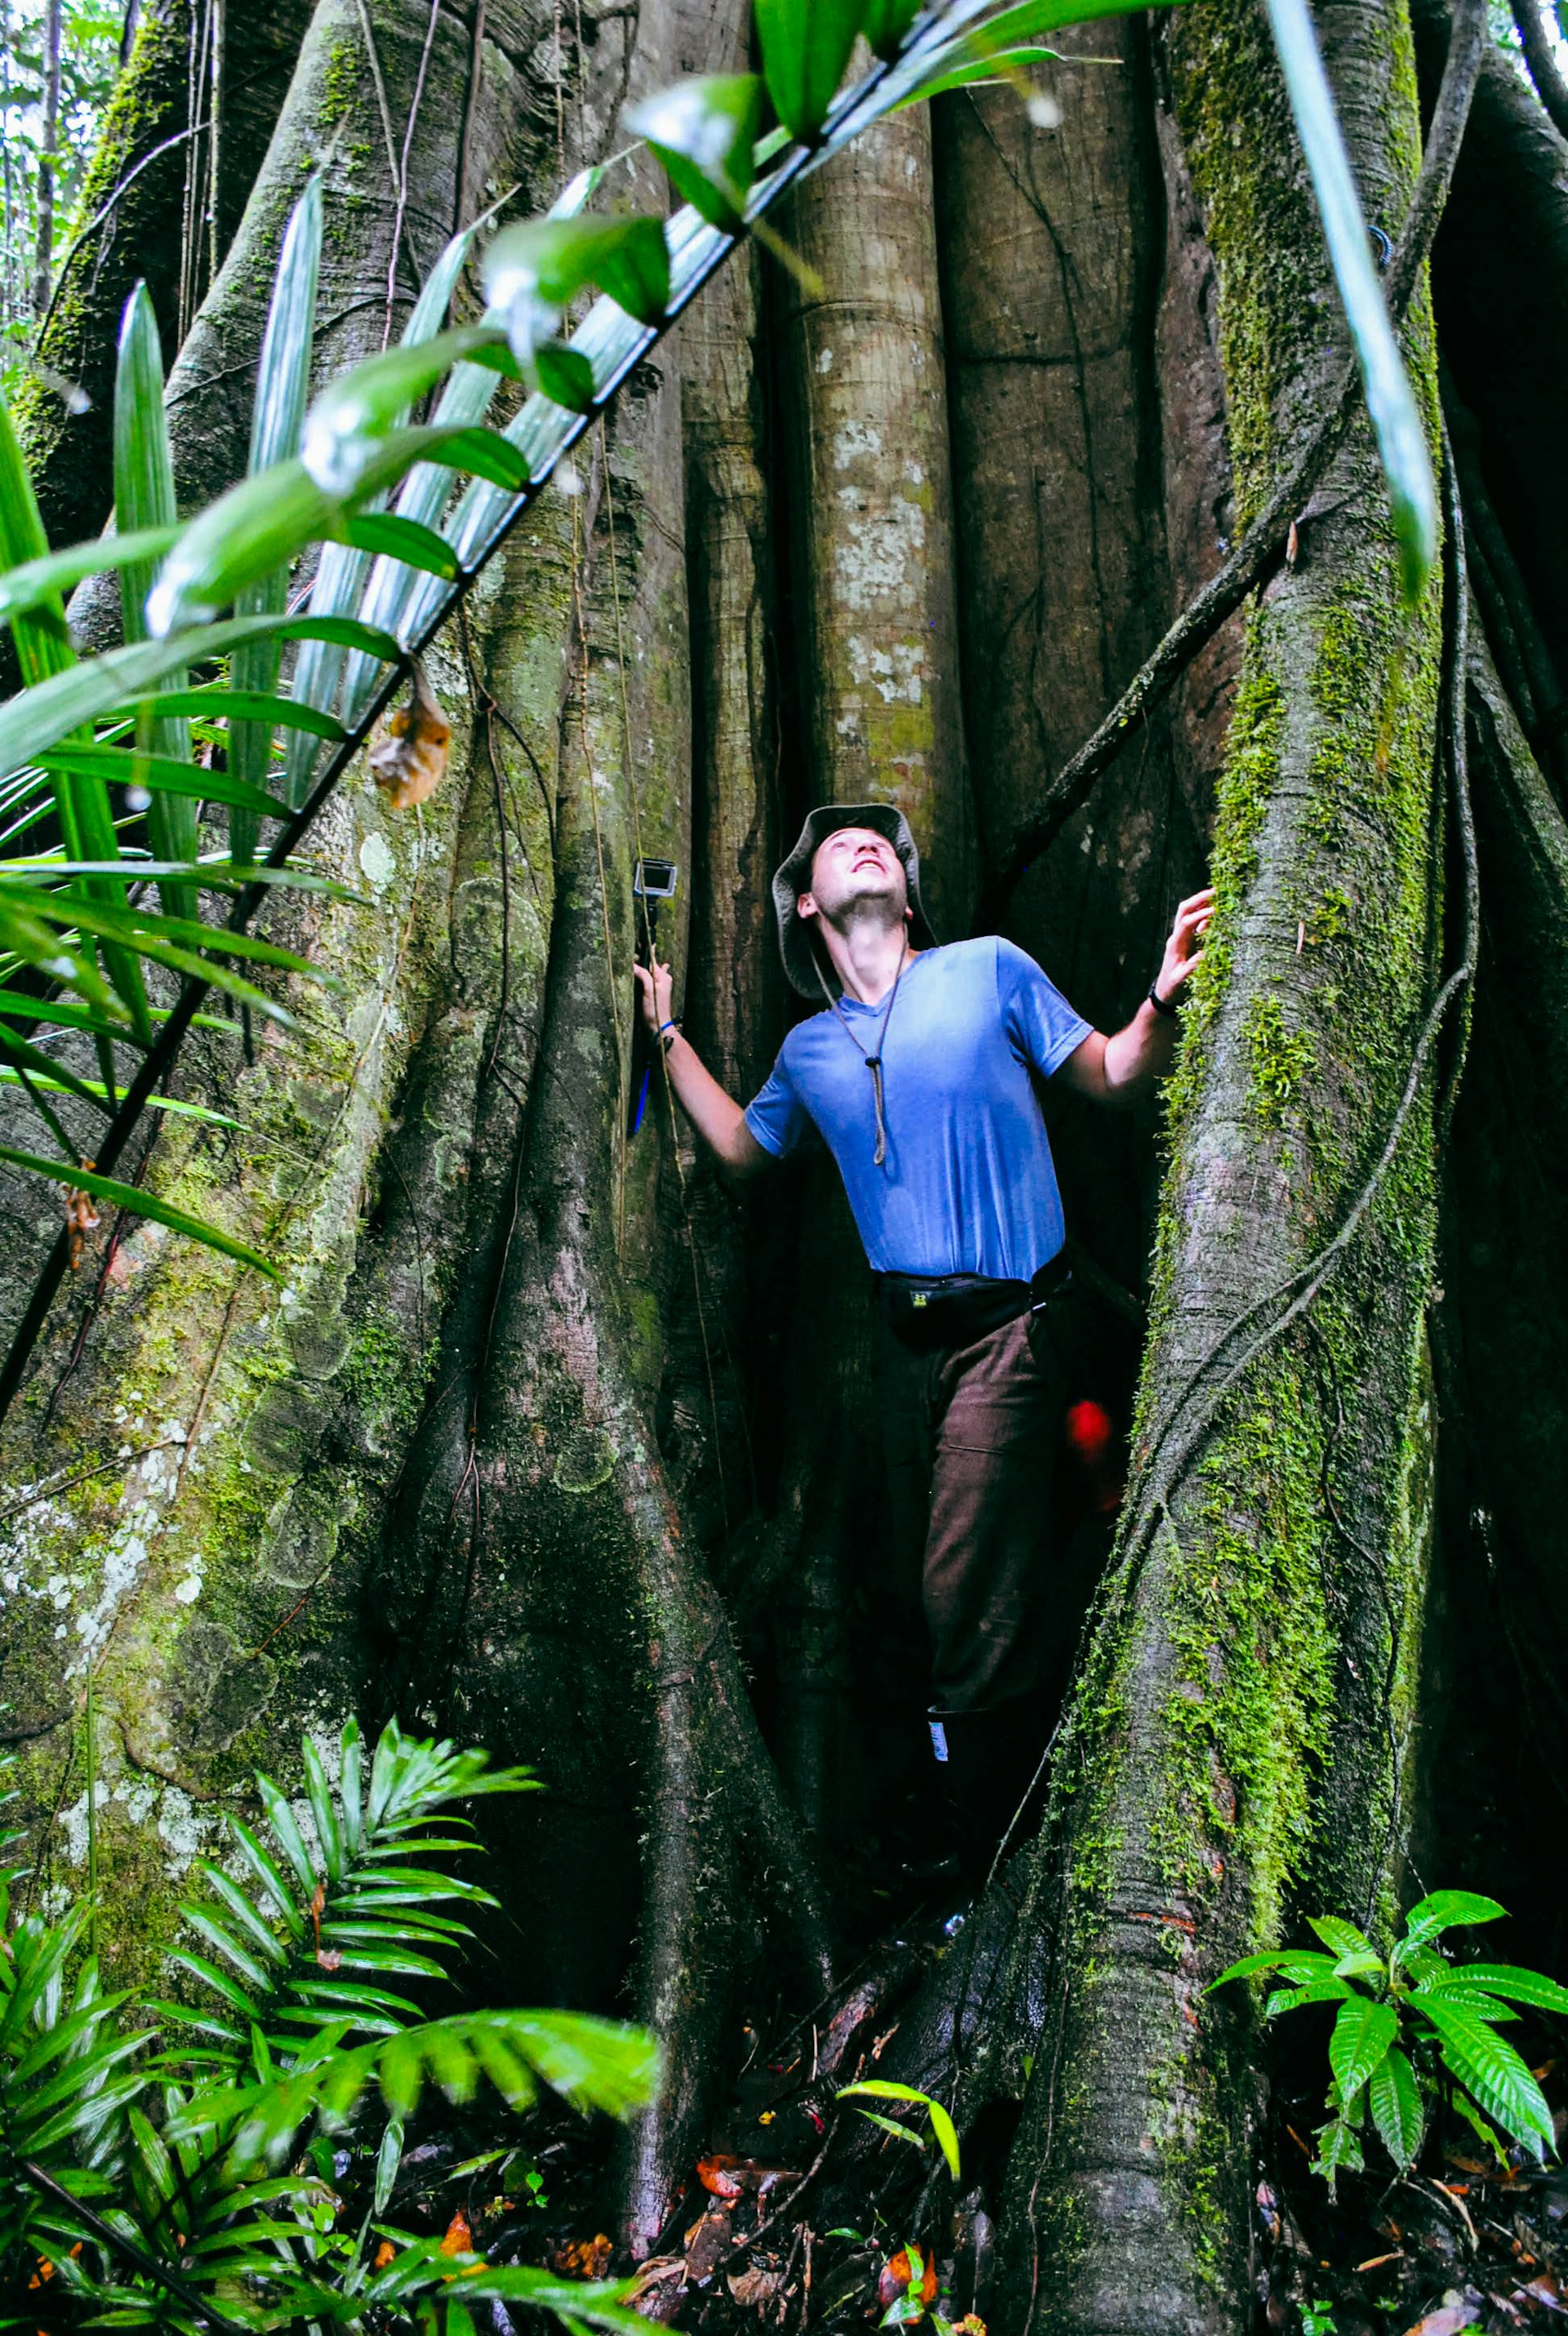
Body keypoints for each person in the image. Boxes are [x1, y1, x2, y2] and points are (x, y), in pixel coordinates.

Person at [635, 802, 1211, 1888]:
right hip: (906, 1354)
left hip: (1015, 1330)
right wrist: (666, 1036)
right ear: (807, 902)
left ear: (906, 888)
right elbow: (744, 1153)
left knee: (958, 1591)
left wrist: (1160, 995)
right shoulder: (808, 1050)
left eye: (882, 841)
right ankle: (1000, 1799)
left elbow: (1112, 1076)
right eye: (835, 842)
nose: (864, 842)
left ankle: (991, 1851)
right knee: (937, 1588)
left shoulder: (988, 970)